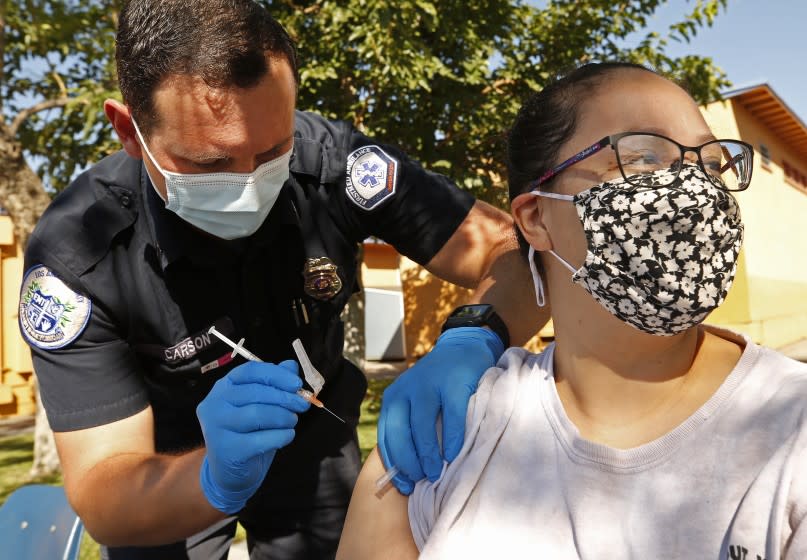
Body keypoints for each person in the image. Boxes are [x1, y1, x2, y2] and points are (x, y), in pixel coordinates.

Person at [17, 1, 544, 558]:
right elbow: (107, 497)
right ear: (129, 130)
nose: (249, 186)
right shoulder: (78, 255)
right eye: (210, 165)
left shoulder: (338, 165)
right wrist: (215, 477)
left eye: (272, 152)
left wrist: (475, 335)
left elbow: (516, 250)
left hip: (314, 438)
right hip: (162, 467)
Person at [336, 62, 807, 559]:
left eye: (711, 163)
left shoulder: (790, 429)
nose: (693, 188)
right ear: (536, 217)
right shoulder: (443, 435)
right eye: (642, 156)